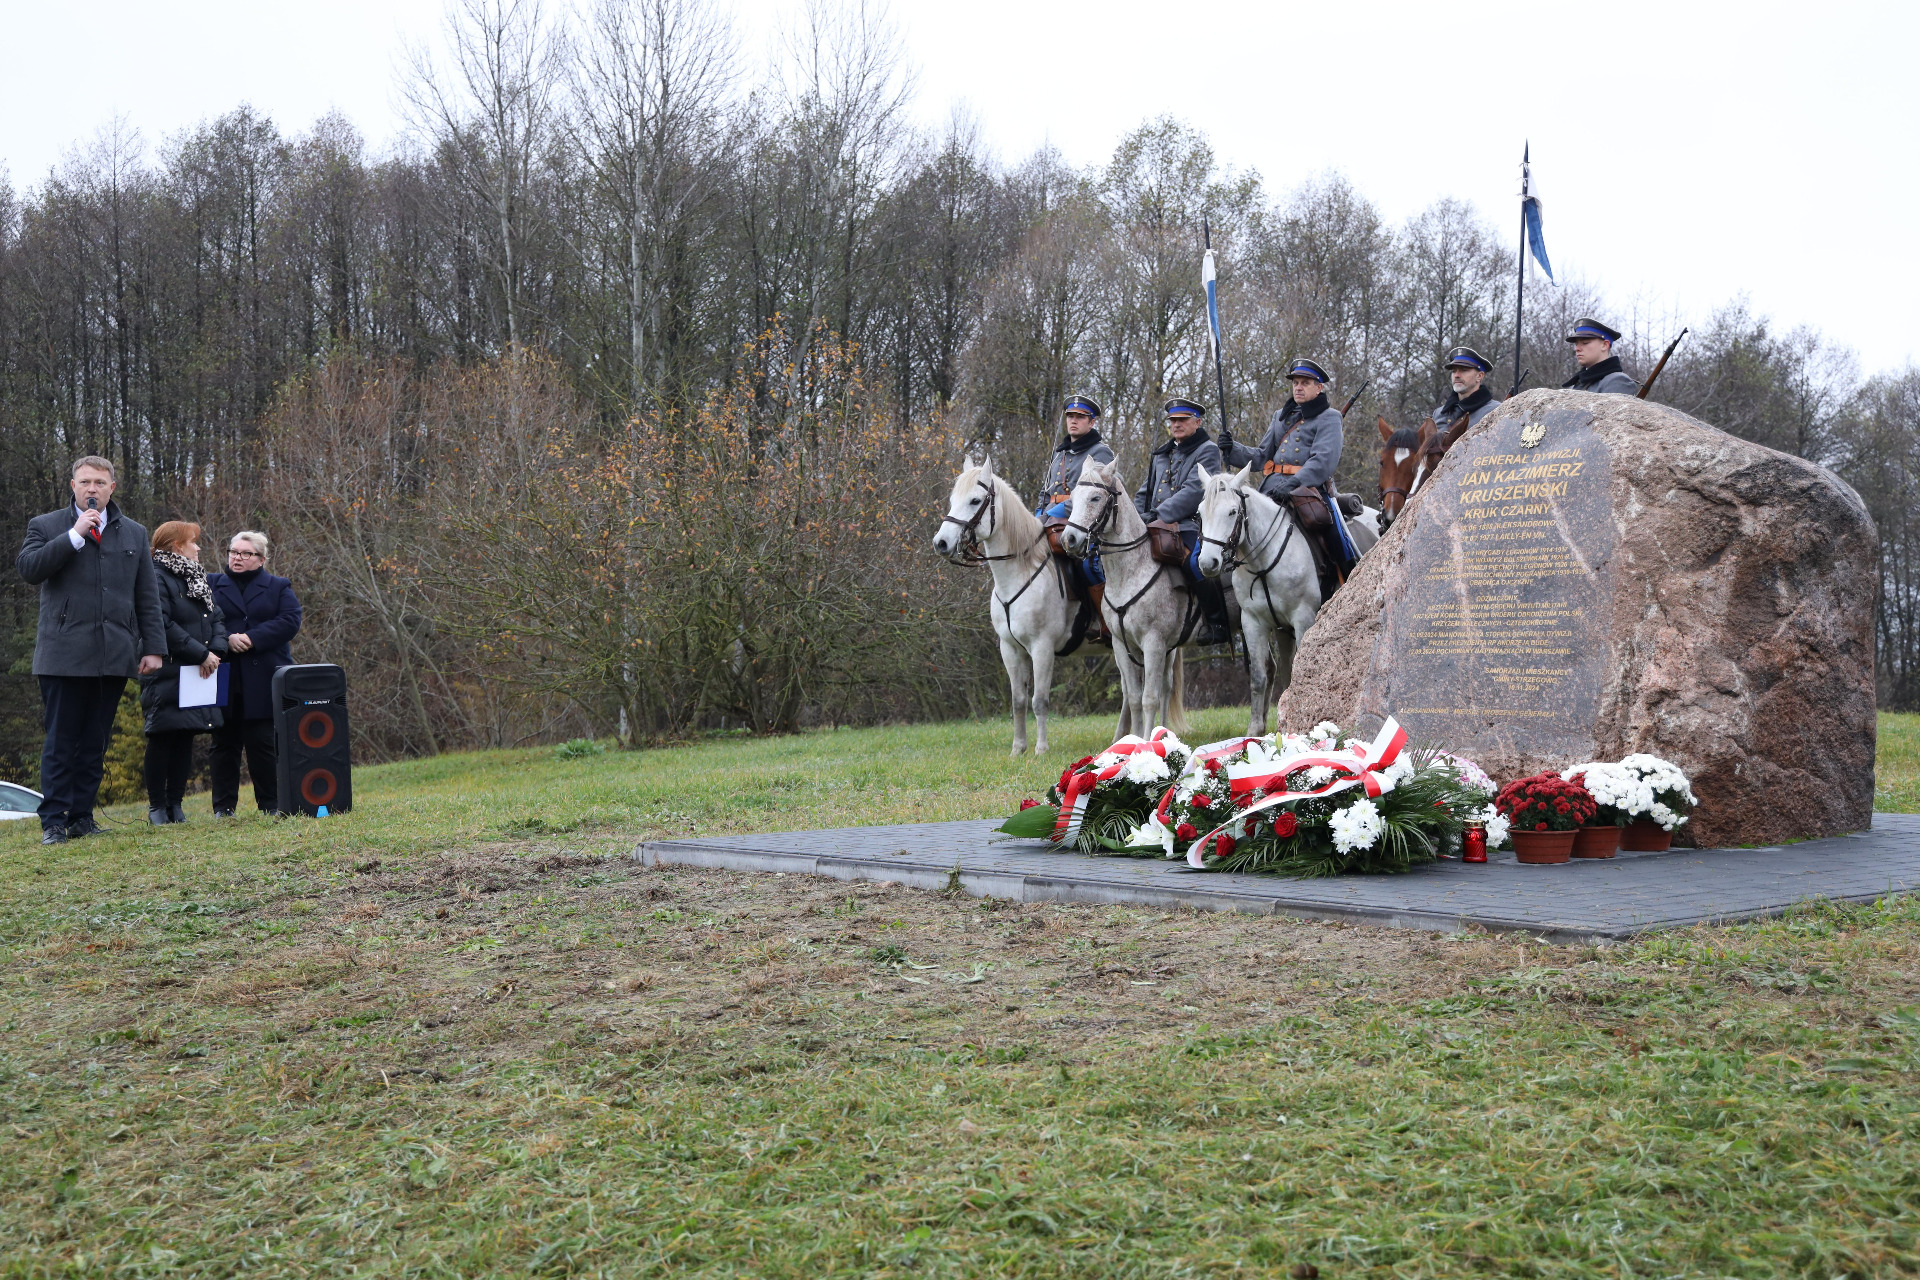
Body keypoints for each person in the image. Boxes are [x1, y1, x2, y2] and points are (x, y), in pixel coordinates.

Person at [16, 456, 166, 844]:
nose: (92, 489)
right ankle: (53, 821)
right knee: (61, 741)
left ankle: (82, 817)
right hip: (62, 655)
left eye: (100, 482)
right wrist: (74, 535)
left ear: (112, 488)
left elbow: (147, 596)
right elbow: (29, 569)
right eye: (85, 482)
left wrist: (153, 647)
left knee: (95, 742)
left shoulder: (134, 533)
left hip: (113, 654)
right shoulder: (46, 525)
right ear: (73, 486)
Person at [1219, 358, 1351, 601]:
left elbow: (1323, 461)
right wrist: (1232, 448)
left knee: (1335, 535)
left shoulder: (1330, 417)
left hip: (1309, 489)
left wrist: (1294, 483)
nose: (1298, 387)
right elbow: (1261, 457)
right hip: (1271, 488)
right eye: (1295, 383)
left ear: (1319, 387)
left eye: (1305, 383)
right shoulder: (1281, 416)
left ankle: (1349, 585)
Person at [207, 530, 302, 816]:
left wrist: (251, 638)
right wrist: (226, 638)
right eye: (233, 552)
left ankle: (271, 804)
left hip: (263, 677)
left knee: (263, 743)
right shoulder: (211, 584)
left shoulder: (278, 586)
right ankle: (223, 808)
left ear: (261, 559)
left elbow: (290, 621)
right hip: (225, 672)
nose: (237, 558)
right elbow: (200, 620)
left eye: (245, 553)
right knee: (223, 743)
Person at [140, 522, 228, 825]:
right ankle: (157, 807)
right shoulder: (155, 576)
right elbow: (160, 623)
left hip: (199, 668)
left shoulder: (196, 576)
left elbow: (216, 618)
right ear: (177, 546)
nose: (198, 547)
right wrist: (200, 653)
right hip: (167, 667)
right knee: (162, 734)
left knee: (185, 735)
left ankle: (175, 806)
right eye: (193, 542)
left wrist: (215, 652)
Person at [1135, 397, 1233, 646]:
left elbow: (1194, 492)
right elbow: (1146, 491)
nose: (1176, 425)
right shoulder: (1163, 453)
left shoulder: (1207, 450)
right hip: (1155, 523)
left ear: (1197, 422)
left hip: (1189, 524)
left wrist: (1159, 514)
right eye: (1173, 420)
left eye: (1182, 420)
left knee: (1195, 563)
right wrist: (1136, 518)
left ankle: (1217, 624)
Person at [1037, 394, 1116, 645]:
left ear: (1091, 422)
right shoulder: (1060, 454)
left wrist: (1052, 514)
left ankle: (1106, 623)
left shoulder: (1100, 452)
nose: (1073, 421)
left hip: (1084, 524)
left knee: (1088, 565)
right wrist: (1037, 515)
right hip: (1050, 520)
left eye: (1080, 417)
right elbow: (1046, 492)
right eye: (1070, 416)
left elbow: (1092, 495)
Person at [1432, 347, 1502, 433]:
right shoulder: (1438, 414)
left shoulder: (1495, 411)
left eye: (1464, 370)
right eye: (1454, 371)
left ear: (1479, 376)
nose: (1456, 375)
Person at [1561, 318, 1640, 394]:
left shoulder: (1618, 382)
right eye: (1576, 344)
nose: (1577, 349)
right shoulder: (1576, 384)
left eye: (1585, 343)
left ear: (1605, 345)